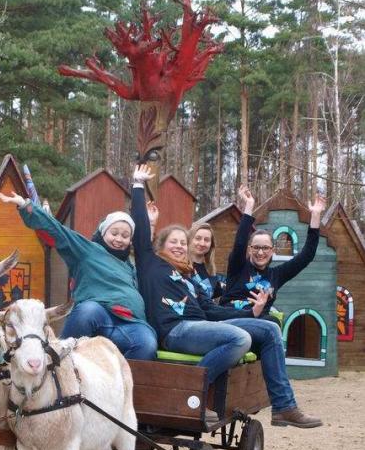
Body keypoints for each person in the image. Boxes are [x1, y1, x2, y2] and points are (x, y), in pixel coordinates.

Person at [131, 165, 322, 428]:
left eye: (181, 242)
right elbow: (140, 228)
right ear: (159, 246)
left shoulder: (190, 279)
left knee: (268, 328)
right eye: (172, 241)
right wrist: (138, 186)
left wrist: (250, 314)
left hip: (202, 326)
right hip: (175, 330)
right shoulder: (150, 263)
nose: (178, 246)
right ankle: (193, 390)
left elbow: (211, 310)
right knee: (240, 338)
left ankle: (283, 406)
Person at [0, 190, 157, 360]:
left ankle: (120, 383)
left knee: (147, 343)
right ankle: (60, 363)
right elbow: (58, 231)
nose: (119, 239)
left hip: (131, 323)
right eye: (114, 233)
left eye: (125, 236)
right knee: (87, 311)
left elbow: (147, 252)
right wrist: (26, 205)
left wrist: (151, 225)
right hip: (99, 313)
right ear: (103, 233)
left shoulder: (130, 266)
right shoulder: (87, 250)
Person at [220, 185, 326, 318]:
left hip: (260, 324)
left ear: (272, 251)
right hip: (232, 318)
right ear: (249, 249)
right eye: (256, 247)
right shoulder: (238, 266)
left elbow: (306, 256)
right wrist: (249, 205)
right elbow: (240, 241)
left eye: (265, 248)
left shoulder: (276, 275)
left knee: (273, 322)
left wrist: (315, 216)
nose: (260, 253)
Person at [188, 221, 225, 300]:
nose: (202, 243)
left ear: (211, 245)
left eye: (207, 240)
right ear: (189, 240)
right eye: (198, 238)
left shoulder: (211, 272)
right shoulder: (180, 266)